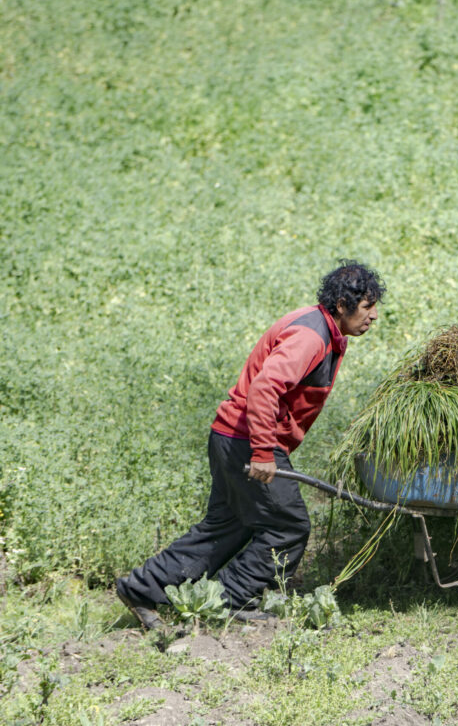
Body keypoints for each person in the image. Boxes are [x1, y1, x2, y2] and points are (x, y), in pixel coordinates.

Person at [116, 261, 384, 629]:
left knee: (226, 525)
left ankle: (142, 589)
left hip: (230, 435)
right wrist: (262, 452)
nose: (373, 316)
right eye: (367, 307)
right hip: (247, 439)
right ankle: (225, 600)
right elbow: (264, 388)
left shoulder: (321, 327)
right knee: (289, 526)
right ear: (341, 304)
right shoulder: (311, 337)